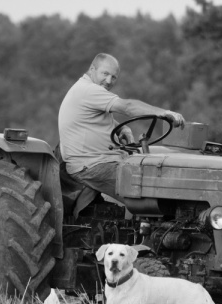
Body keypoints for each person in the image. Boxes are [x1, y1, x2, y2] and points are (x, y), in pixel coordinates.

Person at [58, 53, 185, 210]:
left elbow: (90, 118)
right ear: (92, 69)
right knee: (153, 191)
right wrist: (162, 112)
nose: (109, 81)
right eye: (105, 74)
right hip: (91, 164)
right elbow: (127, 107)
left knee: (149, 177)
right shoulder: (89, 91)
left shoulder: (84, 89)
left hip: (100, 160)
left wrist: (121, 128)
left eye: (114, 77)